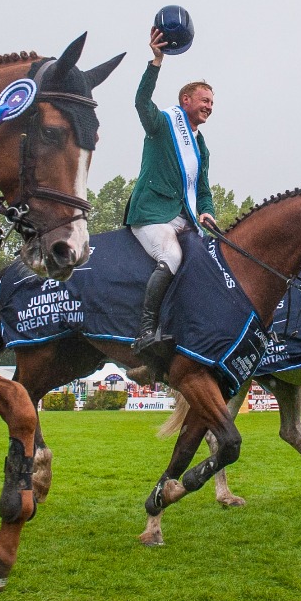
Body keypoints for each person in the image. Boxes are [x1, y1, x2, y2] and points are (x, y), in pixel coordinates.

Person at [126, 27, 217, 357]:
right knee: (173, 257)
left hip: (186, 219)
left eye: (212, 102)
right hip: (152, 214)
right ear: (186, 100)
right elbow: (140, 101)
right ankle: (146, 330)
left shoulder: (202, 146)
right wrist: (156, 62)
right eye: (204, 100)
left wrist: (208, 212)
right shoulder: (162, 123)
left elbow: (203, 191)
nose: (209, 106)